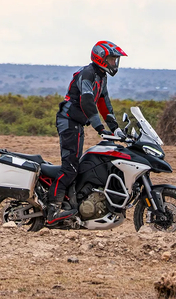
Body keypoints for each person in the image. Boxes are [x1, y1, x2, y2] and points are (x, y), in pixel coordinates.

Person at [48, 40, 127, 225]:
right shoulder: (88, 73)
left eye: (116, 60)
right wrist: (100, 128)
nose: (114, 63)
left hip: (76, 123)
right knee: (70, 168)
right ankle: (52, 210)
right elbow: (87, 101)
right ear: (101, 58)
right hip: (68, 121)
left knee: (82, 166)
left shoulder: (101, 77)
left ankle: (75, 204)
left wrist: (115, 128)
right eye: (112, 59)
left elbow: (104, 103)